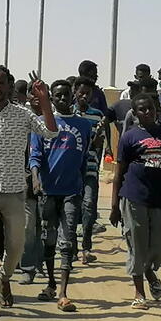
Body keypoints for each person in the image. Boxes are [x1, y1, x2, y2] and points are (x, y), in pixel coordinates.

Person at [0, 66, 57, 318]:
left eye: (0, 83)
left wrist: (45, 102)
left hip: (15, 191)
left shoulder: (23, 115)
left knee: (16, 246)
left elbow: (50, 132)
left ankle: (4, 277)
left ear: (9, 86)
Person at [109, 92, 161, 310]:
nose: (147, 112)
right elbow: (118, 174)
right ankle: (139, 293)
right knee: (137, 245)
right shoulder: (129, 137)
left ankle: (149, 270)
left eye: (150, 108)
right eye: (142, 109)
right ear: (135, 113)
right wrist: (115, 207)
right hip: (134, 198)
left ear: (157, 110)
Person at [29, 80, 92, 311]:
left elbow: (84, 157)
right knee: (49, 240)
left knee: (67, 241)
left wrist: (81, 183)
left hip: (71, 192)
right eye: (58, 96)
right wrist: (35, 177)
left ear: (72, 96)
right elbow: (35, 155)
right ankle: (51, 283)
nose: (63, 99)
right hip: (48, 191)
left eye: (66, 95)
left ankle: (64, 293)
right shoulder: (40, 123)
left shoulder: (84, 125)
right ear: (52, 98)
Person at [72, 77, 105, 264]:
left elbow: (99, 143)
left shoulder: (97, 115)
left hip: (91, 168)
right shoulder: (69, 113)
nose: (84, 96)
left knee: (88, 205)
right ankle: (73, 247)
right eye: (81, 92)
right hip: (71, 169)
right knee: (72, 207)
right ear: (75, 92)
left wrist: (97, 144)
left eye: (88, 93)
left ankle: (86, 247)